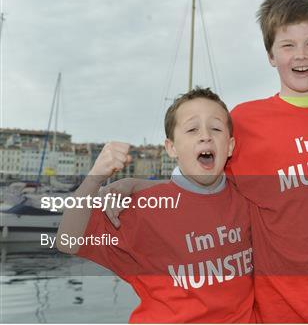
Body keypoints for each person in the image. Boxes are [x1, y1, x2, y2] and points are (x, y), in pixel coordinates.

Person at [106, 0, 308, 323]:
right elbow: (203, 180)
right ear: (271, 55)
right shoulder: (245, 123)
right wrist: (135, 184)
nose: (301, 55)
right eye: (287, 45)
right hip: (282, 313)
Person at [56, 87, 254, 323]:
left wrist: (136, 183)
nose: (205, 136)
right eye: (192, 129)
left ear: (230, 146)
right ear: (171, 148)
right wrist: (95, 177)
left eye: (216, 128)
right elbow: (68, 241)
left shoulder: (249, 199)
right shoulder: (145, 207)